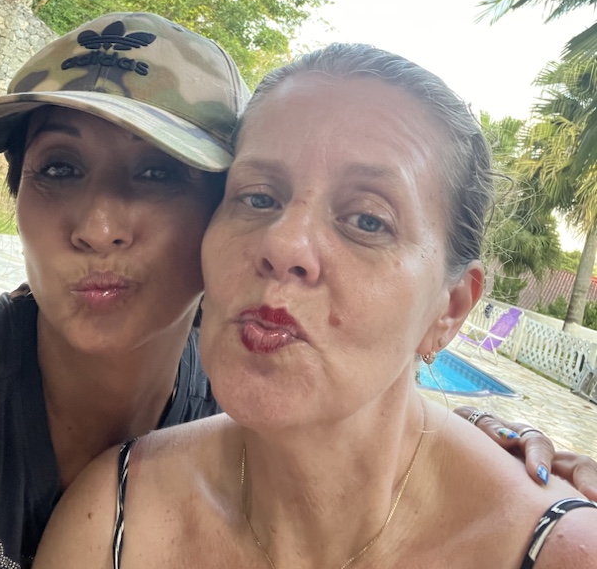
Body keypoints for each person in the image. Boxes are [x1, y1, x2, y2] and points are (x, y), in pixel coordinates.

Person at [33, 43, 597, 569]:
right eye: (258, 197)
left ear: (449, 308)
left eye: (368, 220)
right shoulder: (115, 516)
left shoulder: (560, 551)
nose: (282, 244)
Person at [0, 11, 249, 569]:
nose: (97, 228)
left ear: (226, 214)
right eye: (59, 169)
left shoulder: (251, 435)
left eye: (157, 172)